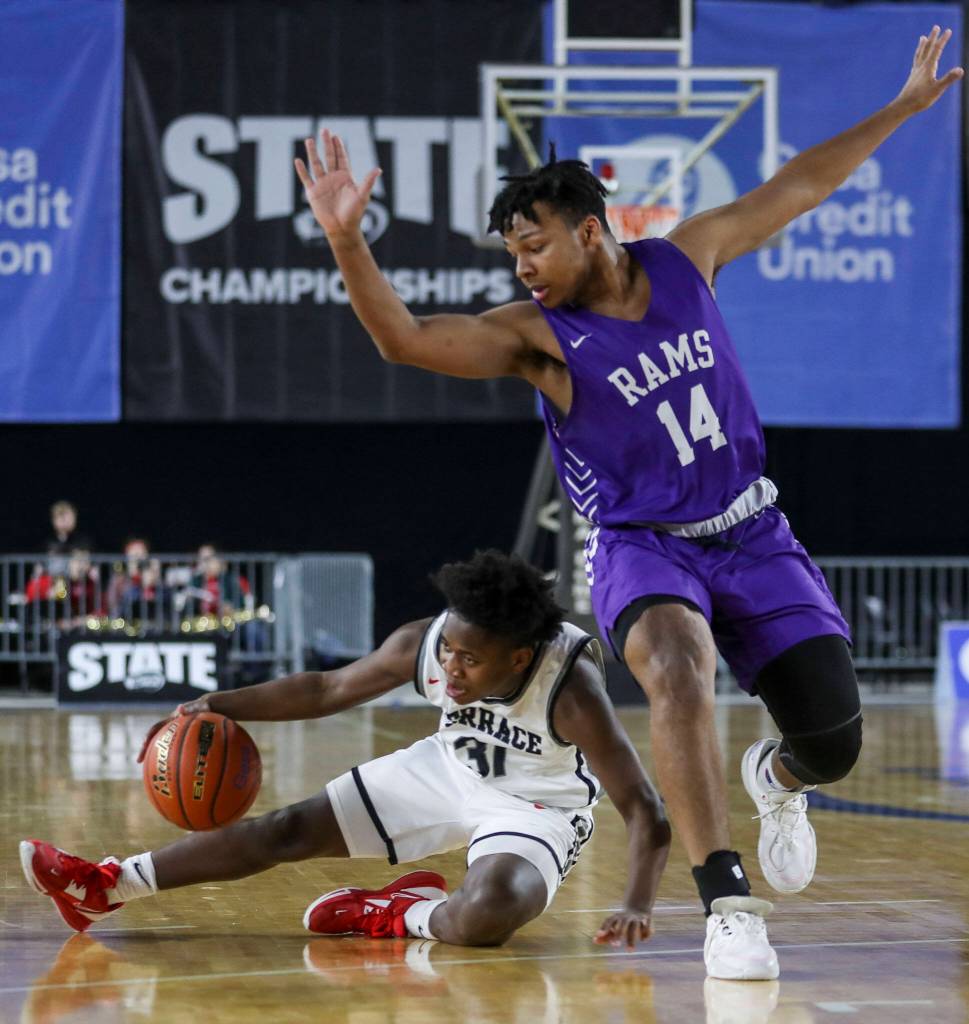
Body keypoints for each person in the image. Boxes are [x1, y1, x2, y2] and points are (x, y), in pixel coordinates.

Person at [291, 28, 962, 979]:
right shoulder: (537, 338)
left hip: (752, 530)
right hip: (642, 546)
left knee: (833, 740)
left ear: (590, 229)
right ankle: (727, 904)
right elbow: (402, 339)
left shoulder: (688, 259)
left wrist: (900, 109)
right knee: (678, 669)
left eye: (534, 243)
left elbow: (800, 185)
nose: (521, 265)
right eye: (512, 251)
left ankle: (775, 777)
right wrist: (347, 239)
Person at [21, 550, 671, 951]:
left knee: (487, 913)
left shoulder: (570, 691)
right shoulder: (432, 641)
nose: (449, 667)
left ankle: (399, 912)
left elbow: (644, 808)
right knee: (285, 828)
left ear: (521, 656)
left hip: (537, 805)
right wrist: (220, 703)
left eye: (469, 659)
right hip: (447, 769)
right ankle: (104, 885)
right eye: (448, 649)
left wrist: (636, 901)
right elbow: (327, 688)